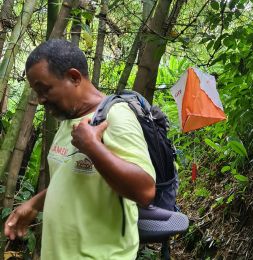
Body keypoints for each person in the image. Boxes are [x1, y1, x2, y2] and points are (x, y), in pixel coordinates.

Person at [4, 39, 156, 259]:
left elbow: (145, 191)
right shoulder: (69, 119)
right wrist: (34, 203)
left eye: (44, 89)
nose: (40, 99)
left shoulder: (116, 117)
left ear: (74, 77)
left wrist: (92, 147)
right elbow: (72, 182)